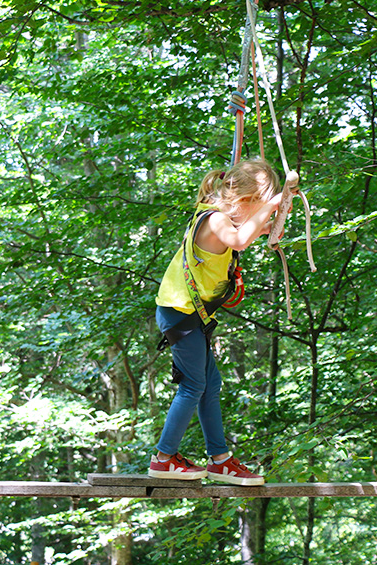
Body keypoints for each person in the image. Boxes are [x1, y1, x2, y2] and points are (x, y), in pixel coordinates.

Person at [150, 159, 287, 486]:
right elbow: (239, 240)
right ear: (244, 200)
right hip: (180, 312)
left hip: (188, 314)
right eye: (257, 203)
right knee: (194, 385)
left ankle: (220, 459)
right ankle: (163, 458)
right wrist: (272, 204)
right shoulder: (215, 220)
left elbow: (244, 235)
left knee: (210, 385)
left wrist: (268, 220)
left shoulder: (219, 218)